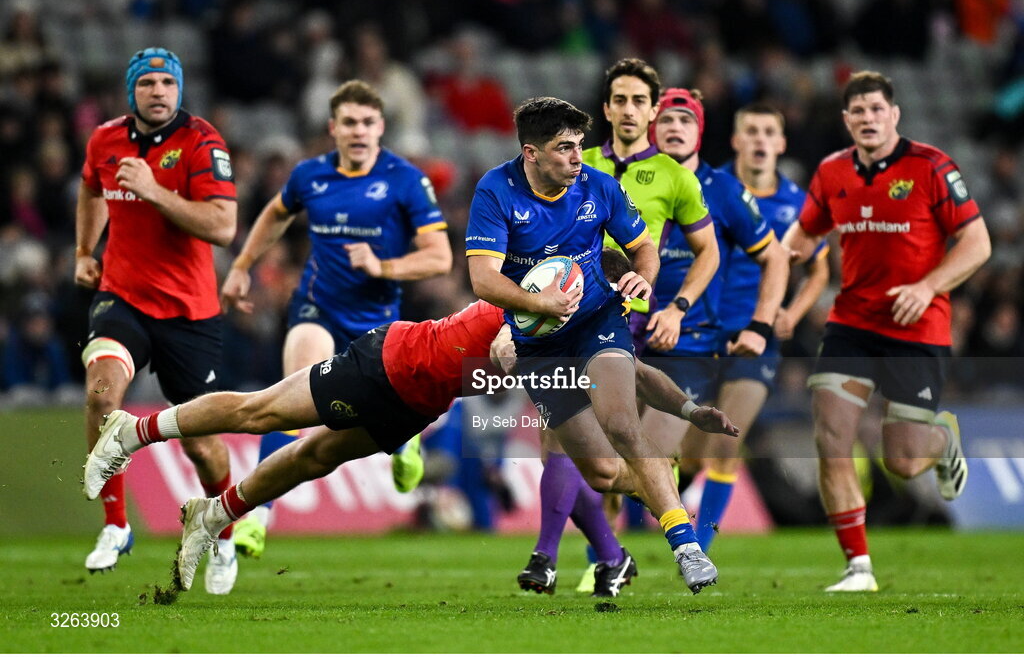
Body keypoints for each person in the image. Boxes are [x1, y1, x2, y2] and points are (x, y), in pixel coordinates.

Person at [82, 293, 737, 592]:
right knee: (260, 414)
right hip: (390, 363)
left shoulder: (599, 332)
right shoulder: (557, 291)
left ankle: (216, 511)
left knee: (314, 458)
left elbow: (632, 376)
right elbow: (511, 336)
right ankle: (133, 430)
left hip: (423, 398)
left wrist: (685, 408)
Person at [465, 96, 723, 594]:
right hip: (539, 343)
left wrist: (643, 281)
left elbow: (643, 248)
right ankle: (659, 480)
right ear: (531, 152)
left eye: (580, 146)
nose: (577, 158)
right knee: (603, 473)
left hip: (597, 321)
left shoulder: (598, 187)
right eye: (564, 148)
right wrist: (540, 306)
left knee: (622, 422)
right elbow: (482, 279)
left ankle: (685, 544)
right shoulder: (496, 191)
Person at [220, 79, 452, 559]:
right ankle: (258, 516)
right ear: (333, 128)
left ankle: (405, 443)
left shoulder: (406, 180)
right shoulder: (311, 175)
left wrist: (383, 266)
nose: (359, 131)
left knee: (385, 414)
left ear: (381, 127)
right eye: (349, 122)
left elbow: (439, 257)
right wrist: (242, 266)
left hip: (378, 327)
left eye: (368, 122)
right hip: (317, 307)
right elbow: (276, 214)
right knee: (291, 395)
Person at [782, 71, 991, 592]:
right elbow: (804, 233)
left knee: (901, 458)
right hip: (853, 323)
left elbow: (978, 242)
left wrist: (929, 286)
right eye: (859, 111)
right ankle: (859, 568)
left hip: (918, 325)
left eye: (877, 109)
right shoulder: (832, 172)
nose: (869, 119)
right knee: (831, 433)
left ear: (894, 115)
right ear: (847, 120)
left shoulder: (931, 167)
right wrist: (781, 258)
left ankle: (941, 441)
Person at [74, 47, 239, 594]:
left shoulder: (201, 141)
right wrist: (84, 249)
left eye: (168, 82)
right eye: (147, 83)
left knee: (202, 444)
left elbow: (222, 226)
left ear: (180, 89)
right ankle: (117, 525)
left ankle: (223, 532)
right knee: (102, 394)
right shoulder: (104, 139)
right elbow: (92, 187)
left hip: (189, 313)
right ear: (132, 92)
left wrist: (154, 191)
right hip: (122, 297)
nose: (159, 91)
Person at [675, 102, 829, 553]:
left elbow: (819, 270)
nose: (761, 140)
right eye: (752, 131)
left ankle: (699, 549)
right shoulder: (706, 187)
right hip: (702, 332)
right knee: (691, 451)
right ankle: (671, 495)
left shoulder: (797, 203)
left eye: (769, 132)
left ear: (781, 143)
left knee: (727, 437)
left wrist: (790, 315)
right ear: (737, 140)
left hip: (756, 337)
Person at [642, 88, 789, 504]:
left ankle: (692, 548)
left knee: (658, 457)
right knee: (606, 463)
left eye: (686, 121)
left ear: (700, 133)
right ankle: (606, 559)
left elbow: (777, 259)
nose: (675, 128)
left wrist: (763, 324)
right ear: (652, 129)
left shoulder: (723, 190)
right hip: (627, 336)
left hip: (691, 343)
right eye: (667, 120)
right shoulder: (626, 182)